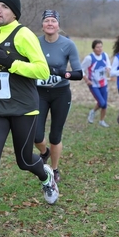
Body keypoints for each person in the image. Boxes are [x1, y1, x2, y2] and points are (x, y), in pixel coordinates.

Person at [0, 0, 58, 237]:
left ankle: (46, 175)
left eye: (5, 7)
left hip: (23, 108)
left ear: (14, 13)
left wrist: (13, 62)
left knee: (23, 161)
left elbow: (42, 69)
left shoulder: (23, 34)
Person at [35, 10, 83, 183]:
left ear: (58, 25)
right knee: (36, 135)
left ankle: (54, 169)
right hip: (39, 92)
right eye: (46, 20)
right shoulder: (34, 42)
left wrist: (62, 73)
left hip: (60, 93)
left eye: (53, 21)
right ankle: (44, 152)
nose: (49, 23)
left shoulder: (68, 45)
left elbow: (78, 73)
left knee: (55, 136)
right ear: (42, 24)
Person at [81, 40, 112, 127]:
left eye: (101, 47)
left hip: (104, 83)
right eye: (97, 47)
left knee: (105, 104)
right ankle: (93, 112)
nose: (99, 49)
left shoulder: (105, 55)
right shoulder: (89, 58)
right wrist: (86, 80)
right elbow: (80, 70)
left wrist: (108, 69)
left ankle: (102, 121)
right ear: (93, 48)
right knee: (101, 103)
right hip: (93, 85)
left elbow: (109, 65)